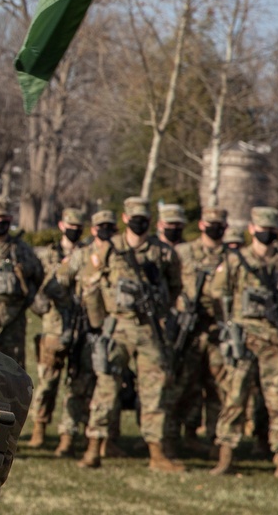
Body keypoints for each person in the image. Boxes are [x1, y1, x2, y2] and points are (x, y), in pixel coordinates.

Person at [78, 196, 185, 471]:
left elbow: (175, 288)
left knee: (154, 390)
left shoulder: (162, 253)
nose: (140, 222)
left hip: (149, 329)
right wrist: (99, 323)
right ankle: (94, 448)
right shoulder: (108, 250)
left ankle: (156, 452)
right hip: (117, 327)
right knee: (106, 387)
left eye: (144, 218)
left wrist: (160, 309)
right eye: (135, 217)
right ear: (125, 218)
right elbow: (89, 285)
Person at [209, 207, 278, 480]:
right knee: (235, 397)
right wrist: (229, 325)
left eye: (271, 230)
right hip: (244, 338)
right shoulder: (235, 260)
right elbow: (217, 292)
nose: (266, 234)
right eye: (262, 228)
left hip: (275, 340)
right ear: (252, 229)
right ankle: (226, 455)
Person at [165, 206, 228, 456]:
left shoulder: (232, 257)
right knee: (181, 383)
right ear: (201, 224)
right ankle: (171, 437)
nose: (215, 228)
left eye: (219, 224)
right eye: (210, 223)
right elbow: (169, 285)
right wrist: (180, 306)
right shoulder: (183, 252)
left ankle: (214, 439)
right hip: (187, 328)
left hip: (218, 330)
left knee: (218, 387)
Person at [52, 209, 113, 458]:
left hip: (113, 329)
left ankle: (104, 441)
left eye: (110, 227)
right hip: (86, 328)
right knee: (77, 384)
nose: (105, 232)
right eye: (101, 227)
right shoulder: (82, 254)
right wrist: (72, 306)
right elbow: (58, 282)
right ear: (94, 229)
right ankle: (67, 437)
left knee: (108, 386)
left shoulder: (120, 255)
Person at [29, 208, 86, 449]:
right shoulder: (46, 255)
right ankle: (39, 429)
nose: (74, 230)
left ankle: (67, 435)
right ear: (62, 225)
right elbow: (35, 288)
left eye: (78, 227)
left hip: (81, 325)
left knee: (77, 384)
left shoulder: (87, 254)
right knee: (47, 382)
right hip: (53, 327)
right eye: (70, 226)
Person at [0, 194, 44, 367]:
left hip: (13, 326)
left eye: (5, 217)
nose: (1, 221)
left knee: (12, 377)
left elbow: (37, 276)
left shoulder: (22, 250)